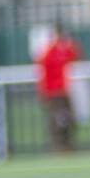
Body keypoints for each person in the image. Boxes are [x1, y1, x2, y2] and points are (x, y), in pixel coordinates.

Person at [35, 21, 82, 152]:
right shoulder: (48, 51)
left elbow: (77, 56)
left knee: (69, 118)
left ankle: (68, 144)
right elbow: (42, 71)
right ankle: (58, 146)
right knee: (57, 119)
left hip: (66, 91)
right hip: (53, 92)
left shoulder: (67, 48)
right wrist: (42, 91)